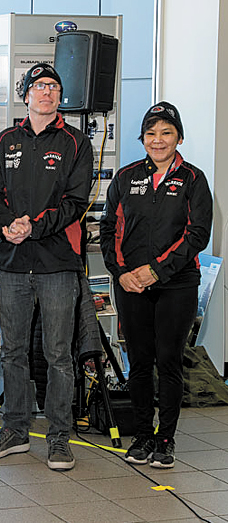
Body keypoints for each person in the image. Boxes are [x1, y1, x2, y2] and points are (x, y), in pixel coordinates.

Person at [0, 63, 92, 471]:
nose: (46, 92)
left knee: (58, 353)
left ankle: (60, 438)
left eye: (53, 87)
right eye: (38, 86)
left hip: (57, 262)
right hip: (12, 261)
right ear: (24, 94)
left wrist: (35, 226)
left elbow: (76, 202)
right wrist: (5, 223)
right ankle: (15, 430)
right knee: (13, 351)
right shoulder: (5, 139)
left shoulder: (76, 142)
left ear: (59, 96)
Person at [100, 102, 212, 469]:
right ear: (142, 139)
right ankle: (143, 436)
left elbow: (197, 235)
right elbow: (108, 230)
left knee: (168, 360)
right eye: (151, 134)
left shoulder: (194, 180)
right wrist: (121, 273)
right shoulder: (126, 177)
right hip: (131, 285)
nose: (158, 140)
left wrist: (157, 271)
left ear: (179, 137)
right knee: (139, 361)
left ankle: (166, 439)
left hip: (176, 284)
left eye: (166, 133)